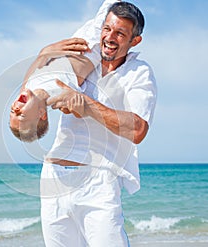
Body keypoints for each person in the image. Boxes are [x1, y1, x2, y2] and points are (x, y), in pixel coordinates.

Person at [39, 1, 157, 247]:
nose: (109, 37)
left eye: (120, 33)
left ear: (135, 41)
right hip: (54, 180)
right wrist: (45, 54)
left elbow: (137, 129)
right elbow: (40, 86)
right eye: (107, 29)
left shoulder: (139, 73)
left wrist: (86, 104)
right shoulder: (83, 60)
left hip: (99, 181)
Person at [9, 0, 119, 142]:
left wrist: (45, 52)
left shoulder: (27, 88)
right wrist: (78, 109)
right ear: (41, 113)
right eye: (21, 115)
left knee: (98, 17)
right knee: (109, 9)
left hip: (77, 39)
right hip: (91, 48)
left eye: (12, 112)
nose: (16, 109)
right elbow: (75, 110)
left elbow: (35, 67)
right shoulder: (57, 100)